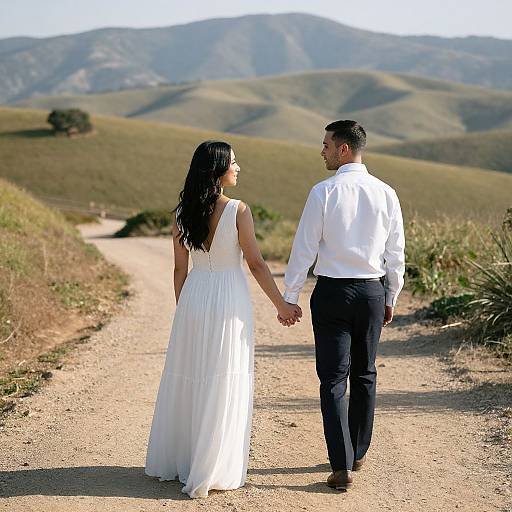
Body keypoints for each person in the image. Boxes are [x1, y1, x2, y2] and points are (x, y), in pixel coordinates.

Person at [144, 140, 301, 498]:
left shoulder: (182, 212)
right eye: (233, 162)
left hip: (194, 296)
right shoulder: (238, 210)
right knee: (223, 378)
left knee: (192, 375)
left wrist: (184, 310)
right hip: (229, 299)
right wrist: (282, 305)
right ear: (217, 170)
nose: (238, 167)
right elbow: (257, 264)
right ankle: (212, 466)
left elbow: (179, 268)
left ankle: (183, 461)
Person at [283, 120, 405, 490]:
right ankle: (359, 452)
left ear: (344, 149)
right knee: (365, 373)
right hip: (371, 292)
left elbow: (303, 248)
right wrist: (392, 296)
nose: (321, 150)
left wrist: (290, 295)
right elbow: (395, 252)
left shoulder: (323, 192)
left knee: (332, 379)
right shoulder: (387, 193)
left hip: (332, 293)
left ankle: (341, 464)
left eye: (326, 144)